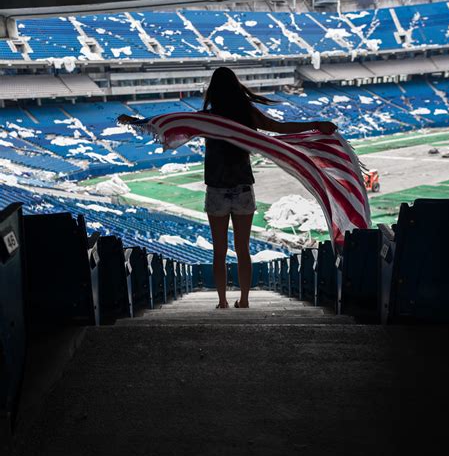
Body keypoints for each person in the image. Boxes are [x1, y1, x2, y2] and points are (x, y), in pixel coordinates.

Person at [119, 67, 337, 309]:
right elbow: (279, 128)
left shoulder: (207, 118)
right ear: (236, 87)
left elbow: (173, 122)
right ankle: (243, 300)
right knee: (243, 250)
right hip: (243, 187)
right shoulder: (247, 114)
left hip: (216, 189)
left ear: (213, 90)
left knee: (219, 251)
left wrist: (136, 122)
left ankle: (222, 301)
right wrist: (316, 124)